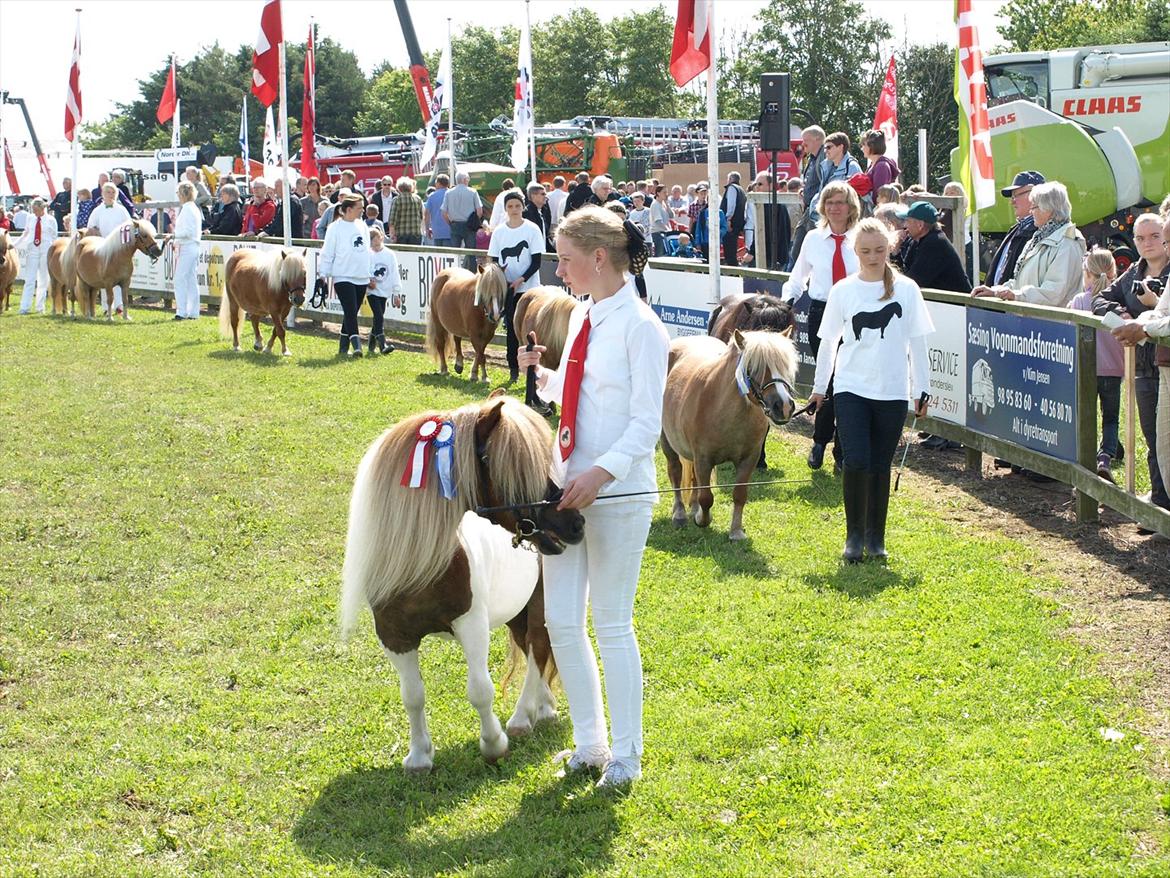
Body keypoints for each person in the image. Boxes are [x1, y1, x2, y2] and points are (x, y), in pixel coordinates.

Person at [516, 204, 670, 789]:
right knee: (559, 620)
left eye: (567, 259)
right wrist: (545, 374)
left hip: (618, 495)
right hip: (566, 488)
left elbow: (643, 424)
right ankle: (590, 744)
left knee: (610, 622)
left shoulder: (642, 326)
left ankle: (626, 756)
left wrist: (599, 476)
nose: (560, 270)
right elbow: (583, 394)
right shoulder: (584, 316)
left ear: (599, 258)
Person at [810, 217, 933, 562]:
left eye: (880, 249)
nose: (873, 256)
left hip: (892, 389)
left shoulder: (907, 290)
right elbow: (829, 342)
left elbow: (918, 341)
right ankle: (853, 537)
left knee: (881, 462)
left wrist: (922, 388)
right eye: (865, 251)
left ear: (890, 247)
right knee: (857, 459)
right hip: (852, 387)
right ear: (855, 250)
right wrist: (821, 387)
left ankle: (875, 538)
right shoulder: (843, 290)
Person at [782, 181, 863, 472]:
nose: (834, 208)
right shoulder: (814, 239)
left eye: (839, 202)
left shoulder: (861, 237)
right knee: (829, 380)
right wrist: (786, 303)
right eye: (829, 203)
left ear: (850, 206)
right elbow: (797, 276)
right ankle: (820, 442)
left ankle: (839, 450)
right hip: (821, 311)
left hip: (856, 314)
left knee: (847, 383)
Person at [1094, 213, 1170, 515]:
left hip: (1160, 360)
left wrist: (1146, 320)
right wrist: (1129, 318)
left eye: (1157, 238)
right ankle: (1160, 505)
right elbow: (1102, 299)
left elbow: (1160, 314)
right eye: (1142, 238)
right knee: (1156, 441)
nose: (1151, 244)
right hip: (1146, 365)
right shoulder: (1132, 273)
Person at [973, 181, 1085, 306]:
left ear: (1049, 210)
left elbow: (1055, 292)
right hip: (1030, 321)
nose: (1031, 212)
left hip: (1051, 323)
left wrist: (1017, 295)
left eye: (1034, 207)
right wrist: (995, 291)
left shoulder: (1067, 242)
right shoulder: (1039, 238)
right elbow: (1019, 282)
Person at [1070, 248, 1122, 480]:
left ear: (1087, 274)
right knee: (1110, 418)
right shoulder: (1118, 301)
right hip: (1113, 370)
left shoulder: (1080, 301)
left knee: (1086, 414)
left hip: (1086, 368)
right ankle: (1105, 457)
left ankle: (1085, 455)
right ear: (1113, 272)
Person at [488, 188, 546, 382]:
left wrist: (520, 279)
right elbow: (494, 260)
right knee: (512, 330)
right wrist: (503, 282)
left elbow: (536, 261)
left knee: (530, 330)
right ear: (505, 208)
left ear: (523, 207)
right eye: (510, 206)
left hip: (528, 289)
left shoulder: (532, 229)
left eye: (517, 206)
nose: (514, 209)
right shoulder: (500, 231)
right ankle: (513, 367)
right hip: (508, 289)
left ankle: (534, 368)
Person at [318, 193, 371, 357]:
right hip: (343, 274)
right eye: (359, 208)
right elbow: (327, 251)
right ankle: (356, 345)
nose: (362, 211)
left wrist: (369, 273)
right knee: (349, 309)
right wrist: (323, 273)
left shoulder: (362, 226)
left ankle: (342, 347)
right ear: (348, 209)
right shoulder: (335, 227)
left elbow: (367, 250)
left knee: (352, 312)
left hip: (361, 275)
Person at [983, 170, 1045, 287]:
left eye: (1016, 195)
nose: (1012, 202)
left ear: (1034, 194)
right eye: (1012, 197)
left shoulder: (1040, 231)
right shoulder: (1017, 229)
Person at [896, 201, 972, 293]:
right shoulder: (918, 240)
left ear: (920, 225)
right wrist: (896, 252)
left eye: (907, 221)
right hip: (943, 303)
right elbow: (905, 271)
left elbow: (912, 282)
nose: (905, 226)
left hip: (957, 304)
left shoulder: (935, 243)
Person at [86, 182, 133, 315]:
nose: (111, 195)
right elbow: (91, 227)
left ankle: (119, 306)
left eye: (113, 192)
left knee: (120, 277)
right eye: (108, 192)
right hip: (103, 247)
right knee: (105, 277)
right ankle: (107, 308)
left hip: (119, 248)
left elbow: (128, 226)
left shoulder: (122, 210)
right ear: (103, 194)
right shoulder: (97, 211)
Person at [786, 125, 827, 270]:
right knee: (799, 244)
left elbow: (825, 182)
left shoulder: (824, 157)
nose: (803, 144)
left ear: (817, 139)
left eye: (806, 140)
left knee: (805, 246)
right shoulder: (812, 158)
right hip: (810, 208)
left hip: (817, 210)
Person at [13, 197, 57, 314]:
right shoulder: (30, 218)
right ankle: (24, 307)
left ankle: (39, 307)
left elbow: (54, 237)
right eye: (33, 210)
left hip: (45, 250)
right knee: (29, 279)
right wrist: (15, 244)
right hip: (32, 249)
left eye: (36, 210)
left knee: (43, 280)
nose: (34, 212)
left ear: (43, 208)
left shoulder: (51, 220)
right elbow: (25, 233)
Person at [365, 226, 399, 355]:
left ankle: (371, 344)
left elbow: (395, 274)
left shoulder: (389, 254)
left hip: (384, 290)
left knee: (379, 317)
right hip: (372, 291)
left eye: (375, 239)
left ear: (381, 238)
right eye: (371, 240)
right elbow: (364, 268)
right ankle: (382, 344)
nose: (373, 243)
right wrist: (368, 280)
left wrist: (396, 292)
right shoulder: (368, 254)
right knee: (378, 315)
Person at [171, 180, 203, 320]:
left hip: (188, 245)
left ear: (183, 194)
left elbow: (188, 232)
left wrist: (174, 236)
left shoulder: (188, 209)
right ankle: (193, 311)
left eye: (178, 193)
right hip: (191, 245)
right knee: (190, 279)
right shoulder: (192, 208)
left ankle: (182, 311)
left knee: (180, 279)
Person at [441, 171, 483, 268]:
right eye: (468, 179)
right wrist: (474, 222)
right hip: (469, 226)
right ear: (464, 180)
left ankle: (455, 272)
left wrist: (450, 223)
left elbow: (443, 212)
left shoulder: (448, 193)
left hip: (454, 224)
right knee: (471, 253)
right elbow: (479, 211)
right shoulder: (473, 192)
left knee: (455, 254)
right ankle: (472, 273)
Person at [720, 171, 747, 267]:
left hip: (731, 224)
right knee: (732, 251)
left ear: (731, 179)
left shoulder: (732, 188)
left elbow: (731, 205)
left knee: (729, 254)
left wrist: (728, 220)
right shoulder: (741, 190)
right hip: (738, 224)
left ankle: (733, 274)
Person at [387, 176, 423, 245]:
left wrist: (392, 235)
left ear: (399, 188)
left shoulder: (396, 200)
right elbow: (421, 216)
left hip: (401, 235)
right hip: (415, 234)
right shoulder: (417, 199)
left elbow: (392, 220)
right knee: (414, 255)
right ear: (411, 187)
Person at [522, 181, 554, 253]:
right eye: (543, 194)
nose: (545, 196)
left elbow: (545, 236)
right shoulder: (525, 213)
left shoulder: (543, 212)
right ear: (533, 196)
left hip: (543, 253)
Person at [424, 172, 453, 246]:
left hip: (436, 231)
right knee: (449, 255)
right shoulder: (451, 194)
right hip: (450, 230)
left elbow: (427, 213)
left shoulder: (432, 196)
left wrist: (427, 229)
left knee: (438, 256)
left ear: (439, 183)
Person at [650, 184, 673, 257]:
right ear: (658, 193)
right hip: (658, 233)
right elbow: (658, 221)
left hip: (665, 233)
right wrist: (668, 229)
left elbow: (672, 216)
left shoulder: (663, 204)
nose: (666, 194)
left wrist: (667, 205)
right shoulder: (655, 204)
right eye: (664, 192)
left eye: (667, 192)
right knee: (660, 255)